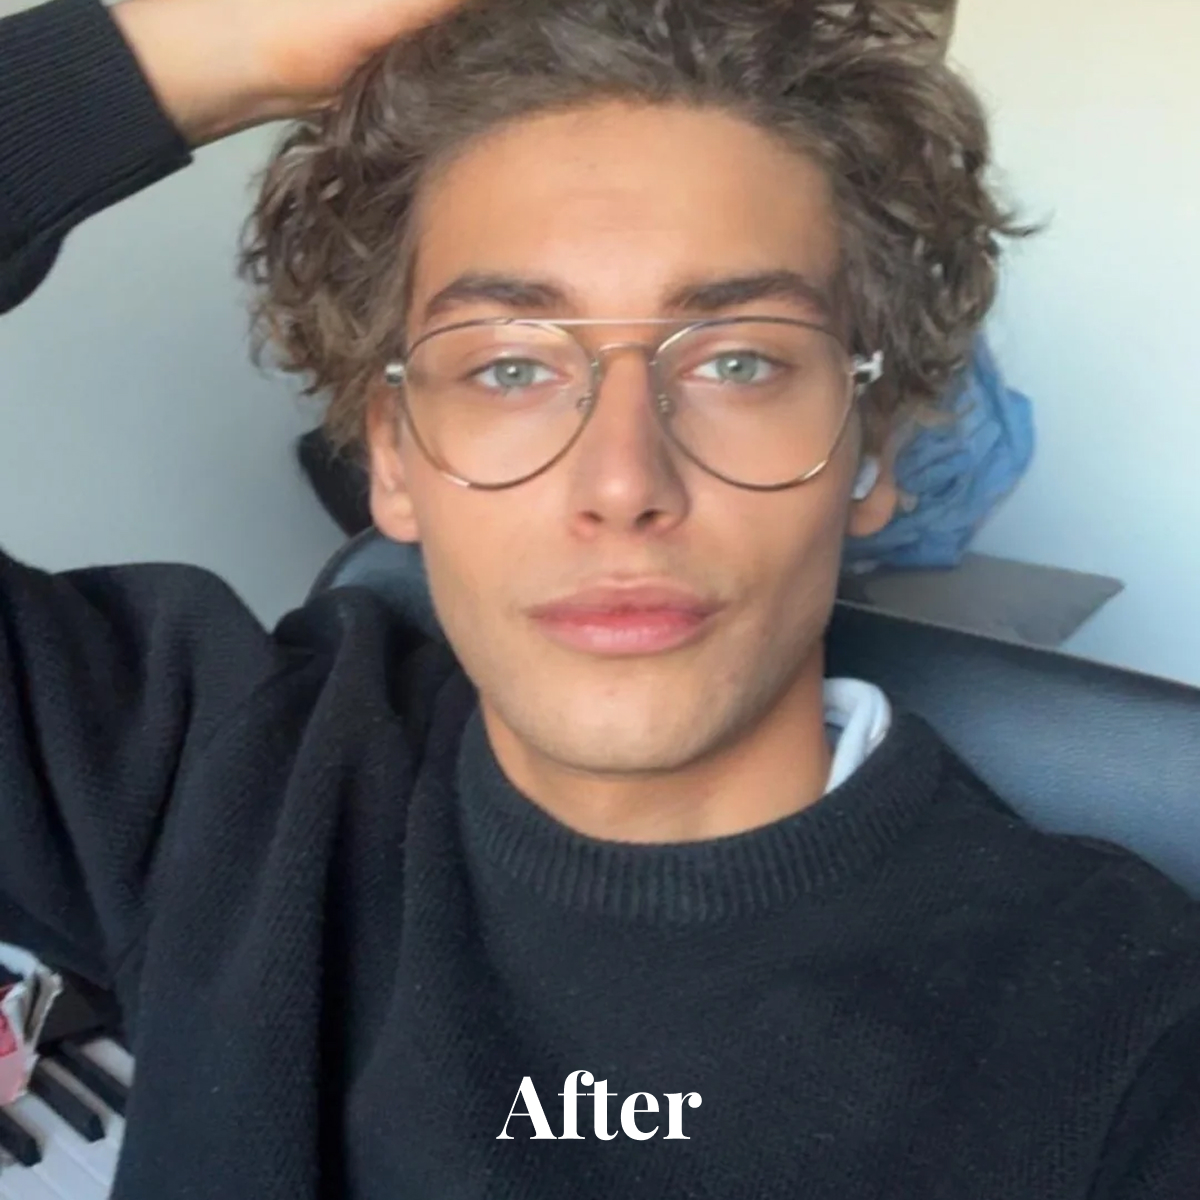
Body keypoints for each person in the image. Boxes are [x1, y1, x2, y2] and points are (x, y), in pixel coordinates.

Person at [1, 1, 1198, 1197]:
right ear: (397, 458)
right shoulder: (198, 778)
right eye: (511, 365)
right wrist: (205, 49)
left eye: (740, 361)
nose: (623, 482)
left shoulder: (1133, 1041)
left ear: (872, 447)